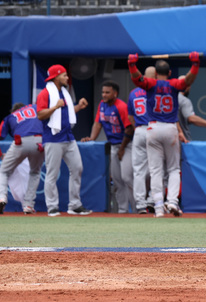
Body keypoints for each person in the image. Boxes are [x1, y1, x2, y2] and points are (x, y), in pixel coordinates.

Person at [127, 51, 200, 217]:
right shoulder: (174, 83)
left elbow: (136, 78)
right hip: (170, 128)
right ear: (168, 73)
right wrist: (195, 64)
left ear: (156, 72)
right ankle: (172, 201)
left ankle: (158, 206)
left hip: (152, 128)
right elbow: (189, 80)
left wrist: (132, 65)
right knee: (173, 169)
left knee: (155, 170)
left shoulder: (150, 84)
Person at [36, 64, 92, 216]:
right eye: (64, 75)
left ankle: (74, 205)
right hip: (53, 138)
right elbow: (40, 115)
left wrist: (78, 107)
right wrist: (55, 107)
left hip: (68, 137)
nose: (67, 78)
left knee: (77, 168)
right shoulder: (45, 93)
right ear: (56, 76)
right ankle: (52, 206)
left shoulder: (63, 93)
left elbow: (65, 113)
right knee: (52, 173)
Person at [81, 81, 135, 213]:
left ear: (115, 93)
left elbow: (129, 129)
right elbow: (98, 123)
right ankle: (123, 210)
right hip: (114, 146)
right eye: (103, 92)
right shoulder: (102, 105)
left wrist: (122, 149)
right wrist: (92, 138)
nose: (104, 95)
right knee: (117, 180)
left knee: (127, 177)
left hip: (127, 145)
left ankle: (138, 209)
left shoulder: (121, 106)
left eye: (107, 92)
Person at [0, 103, 44, 214]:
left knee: (4, 171)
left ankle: (1, 197)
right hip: (39, 141)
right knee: (35, 172)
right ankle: (28, 205)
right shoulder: (36, 107)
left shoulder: (11, 116)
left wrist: (1, 155)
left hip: (20, 142)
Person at [128, 66, 158, 214]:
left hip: (139, 129)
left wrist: (138, 129)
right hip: (155, 128)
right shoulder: (158, 88)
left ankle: (140, 204)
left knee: (139, 170)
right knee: (156, 168)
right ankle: (152, 200)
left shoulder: (134, 92)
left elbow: (130, 117)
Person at [177, 75, 206, 142]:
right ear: (187, 86)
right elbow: (191, 118)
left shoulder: (169, 98)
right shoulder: (184, 100)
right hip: (182, 140)